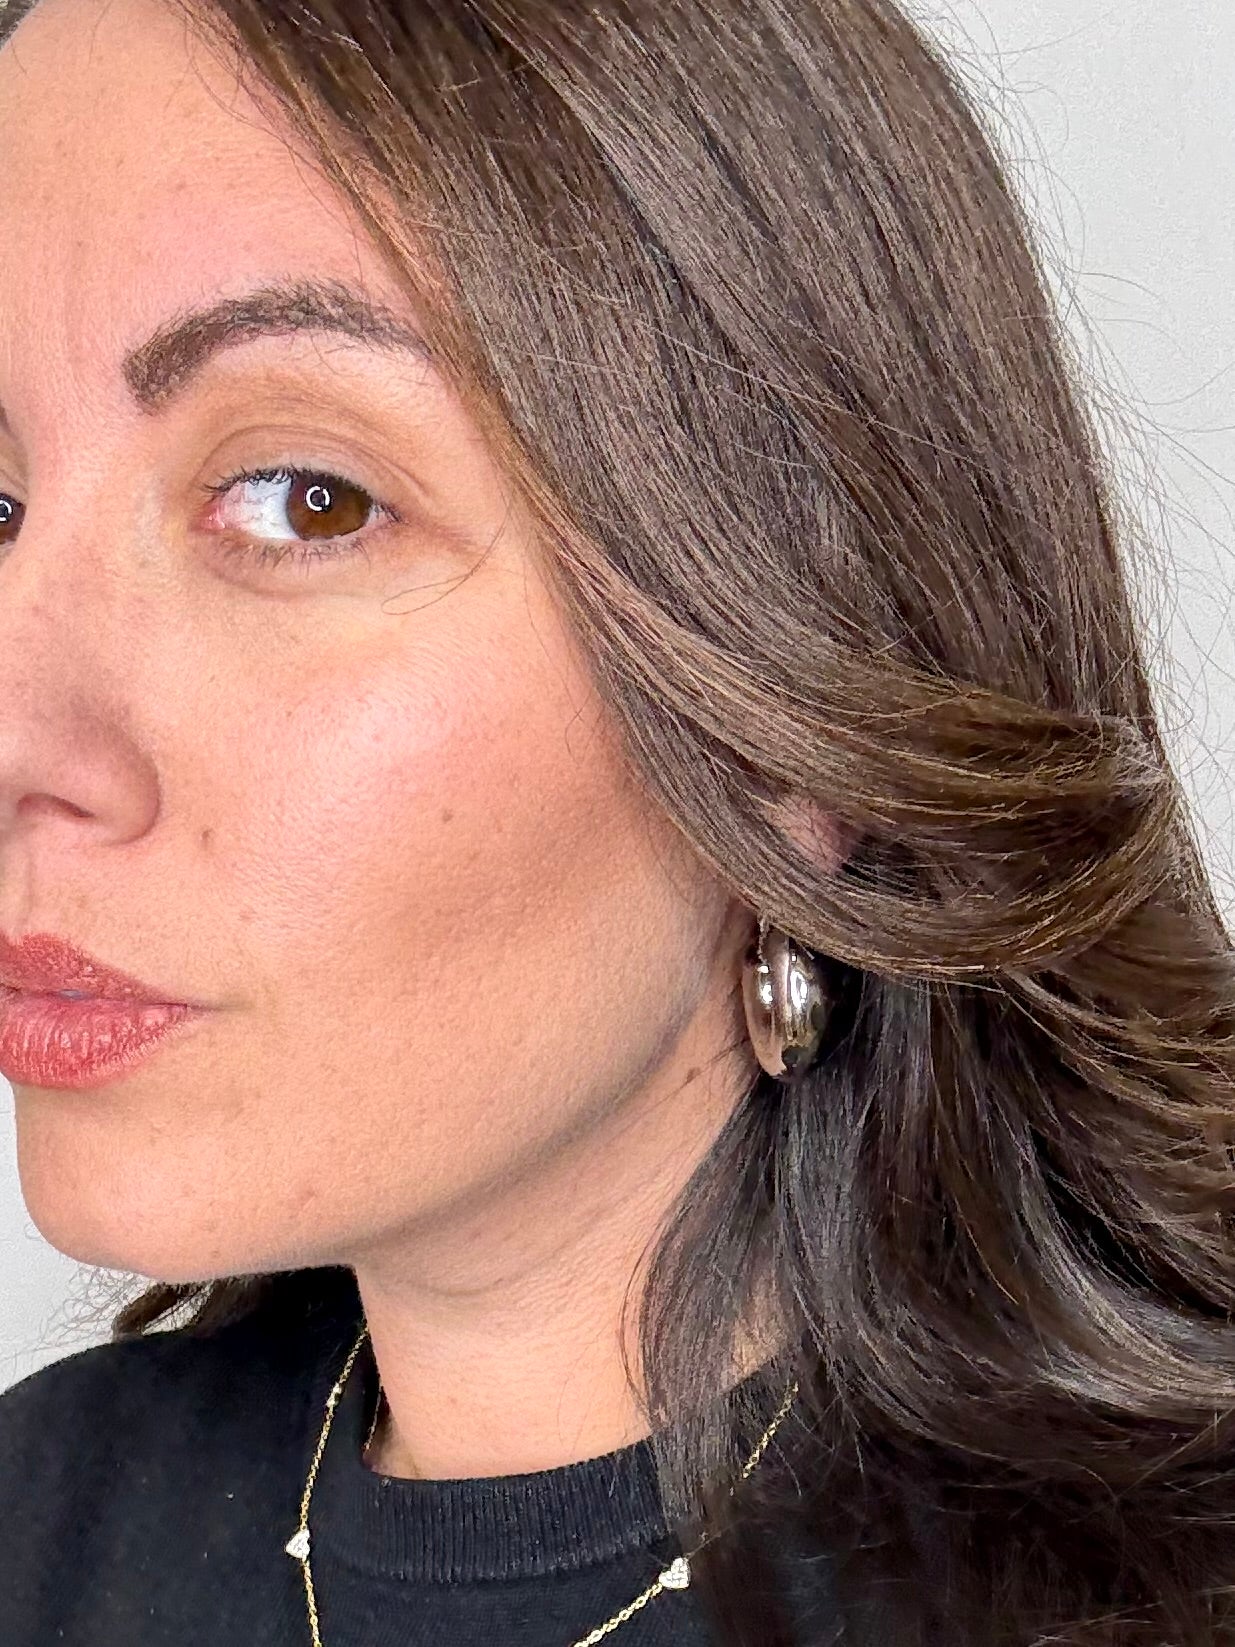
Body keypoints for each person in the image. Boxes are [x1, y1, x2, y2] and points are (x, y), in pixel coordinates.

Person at [0, 0, 1232, 1642]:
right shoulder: (41, 1521)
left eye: (309, 500)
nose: (18, 730)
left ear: (801, 725)